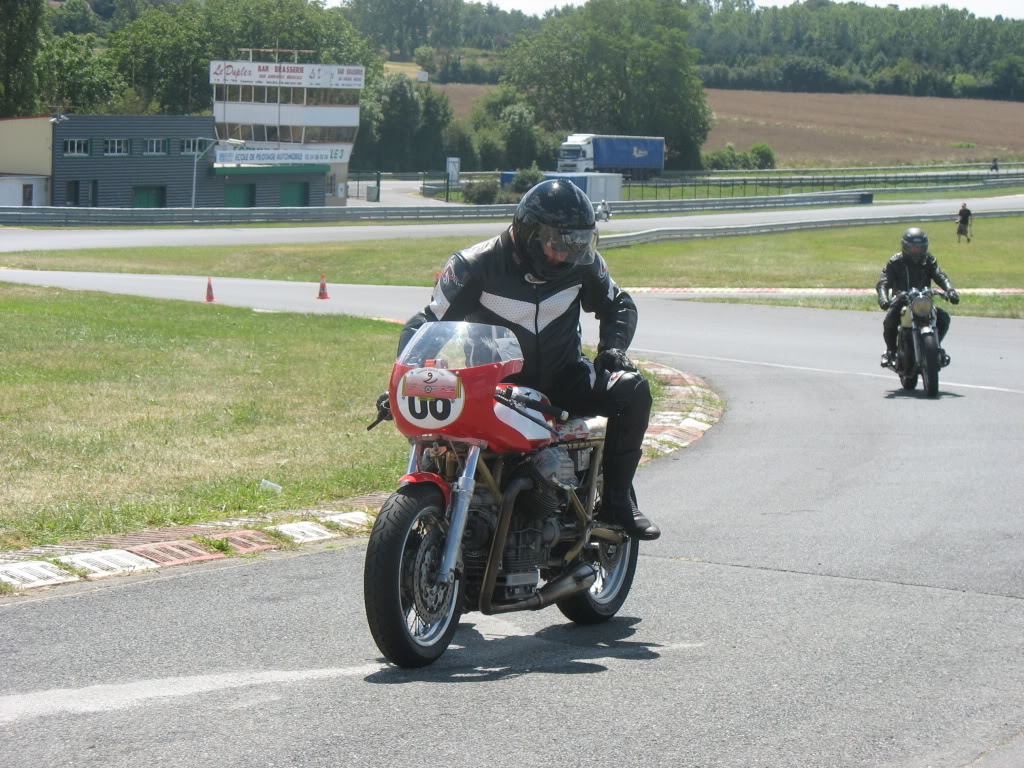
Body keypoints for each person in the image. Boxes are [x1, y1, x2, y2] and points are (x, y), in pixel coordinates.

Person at [392, 179, 659, 540]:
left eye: (576, 244)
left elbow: (619, 304)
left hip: (566, 379)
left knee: (633, 390)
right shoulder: (474, 265)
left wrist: (612, 349)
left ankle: (617, 502)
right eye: (557, 243)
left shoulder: (583, 265)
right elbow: (428, 322)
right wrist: (406, 376)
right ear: (529, 233)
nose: (565, 254)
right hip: (498, 389)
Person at [876, 227, 960, 368]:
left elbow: (940, 275)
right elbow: (884, 282)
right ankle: (890, 351)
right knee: (889, 321)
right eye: (913, 248)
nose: (917, 251)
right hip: (901, 300)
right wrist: (883, 299)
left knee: (944, 318)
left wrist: (950, 290)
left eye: (920, 248)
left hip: (923, 300)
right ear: (905, 247)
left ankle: (935, 348)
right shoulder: (895, 262)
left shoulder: (929, 260)